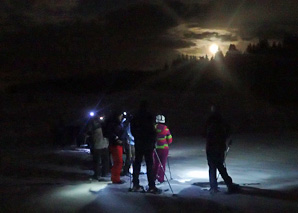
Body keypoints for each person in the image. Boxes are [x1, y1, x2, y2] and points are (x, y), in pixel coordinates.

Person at [203, 105, 239, 194]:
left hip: (212, 147)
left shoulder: (210, 121)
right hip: (219, 146)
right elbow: (228, 131)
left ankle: (214, 186)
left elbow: (203, 133)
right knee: (219, 166)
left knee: (213, 167)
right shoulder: (221, 121)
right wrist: (227, 139)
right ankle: (228, 184)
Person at [130, 100, 161, 194]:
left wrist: (136, 137)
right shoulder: (149, 116)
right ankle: (151, 186)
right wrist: (153, 141)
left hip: (139, 143)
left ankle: (135, 184)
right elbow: (152, 130)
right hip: (147, 143)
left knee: (137, 163)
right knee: (149, 164)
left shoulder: (135, 117)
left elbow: (133, 130)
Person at [86, 112, 109, 181]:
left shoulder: (93, 125)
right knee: (104, 160)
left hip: (97, 145)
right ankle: (104, 173)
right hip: (104, 145)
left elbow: (89, 133)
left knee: (97, 161)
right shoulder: (105, 125)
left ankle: (97, 174)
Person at [107, 110, 126, 184]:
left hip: (119, 144)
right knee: (118, 162)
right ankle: (115, 179)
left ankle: (115, 177)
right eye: (120, 115)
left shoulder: (119, 123)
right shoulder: (113, 124)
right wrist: (116, 138)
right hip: (115, 144)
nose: (121, 117)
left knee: (118, 162)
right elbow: (110, 133)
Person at [153, 114, 172, 184]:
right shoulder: (166, 128)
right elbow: (170, 140)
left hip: (156, 148)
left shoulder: (154, 128)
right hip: (164, 149)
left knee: (155, 163)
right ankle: (161, 178)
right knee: (162, 164)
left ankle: (154, 177)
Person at [121, 112, 135, 176]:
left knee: (133, 157)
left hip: (133, 142)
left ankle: (133, 170)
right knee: (129, 157)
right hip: (129, 142)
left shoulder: (133, 123)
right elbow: (128, 133)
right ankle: (125, 171)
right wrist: (134, 139)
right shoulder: (128, 123)